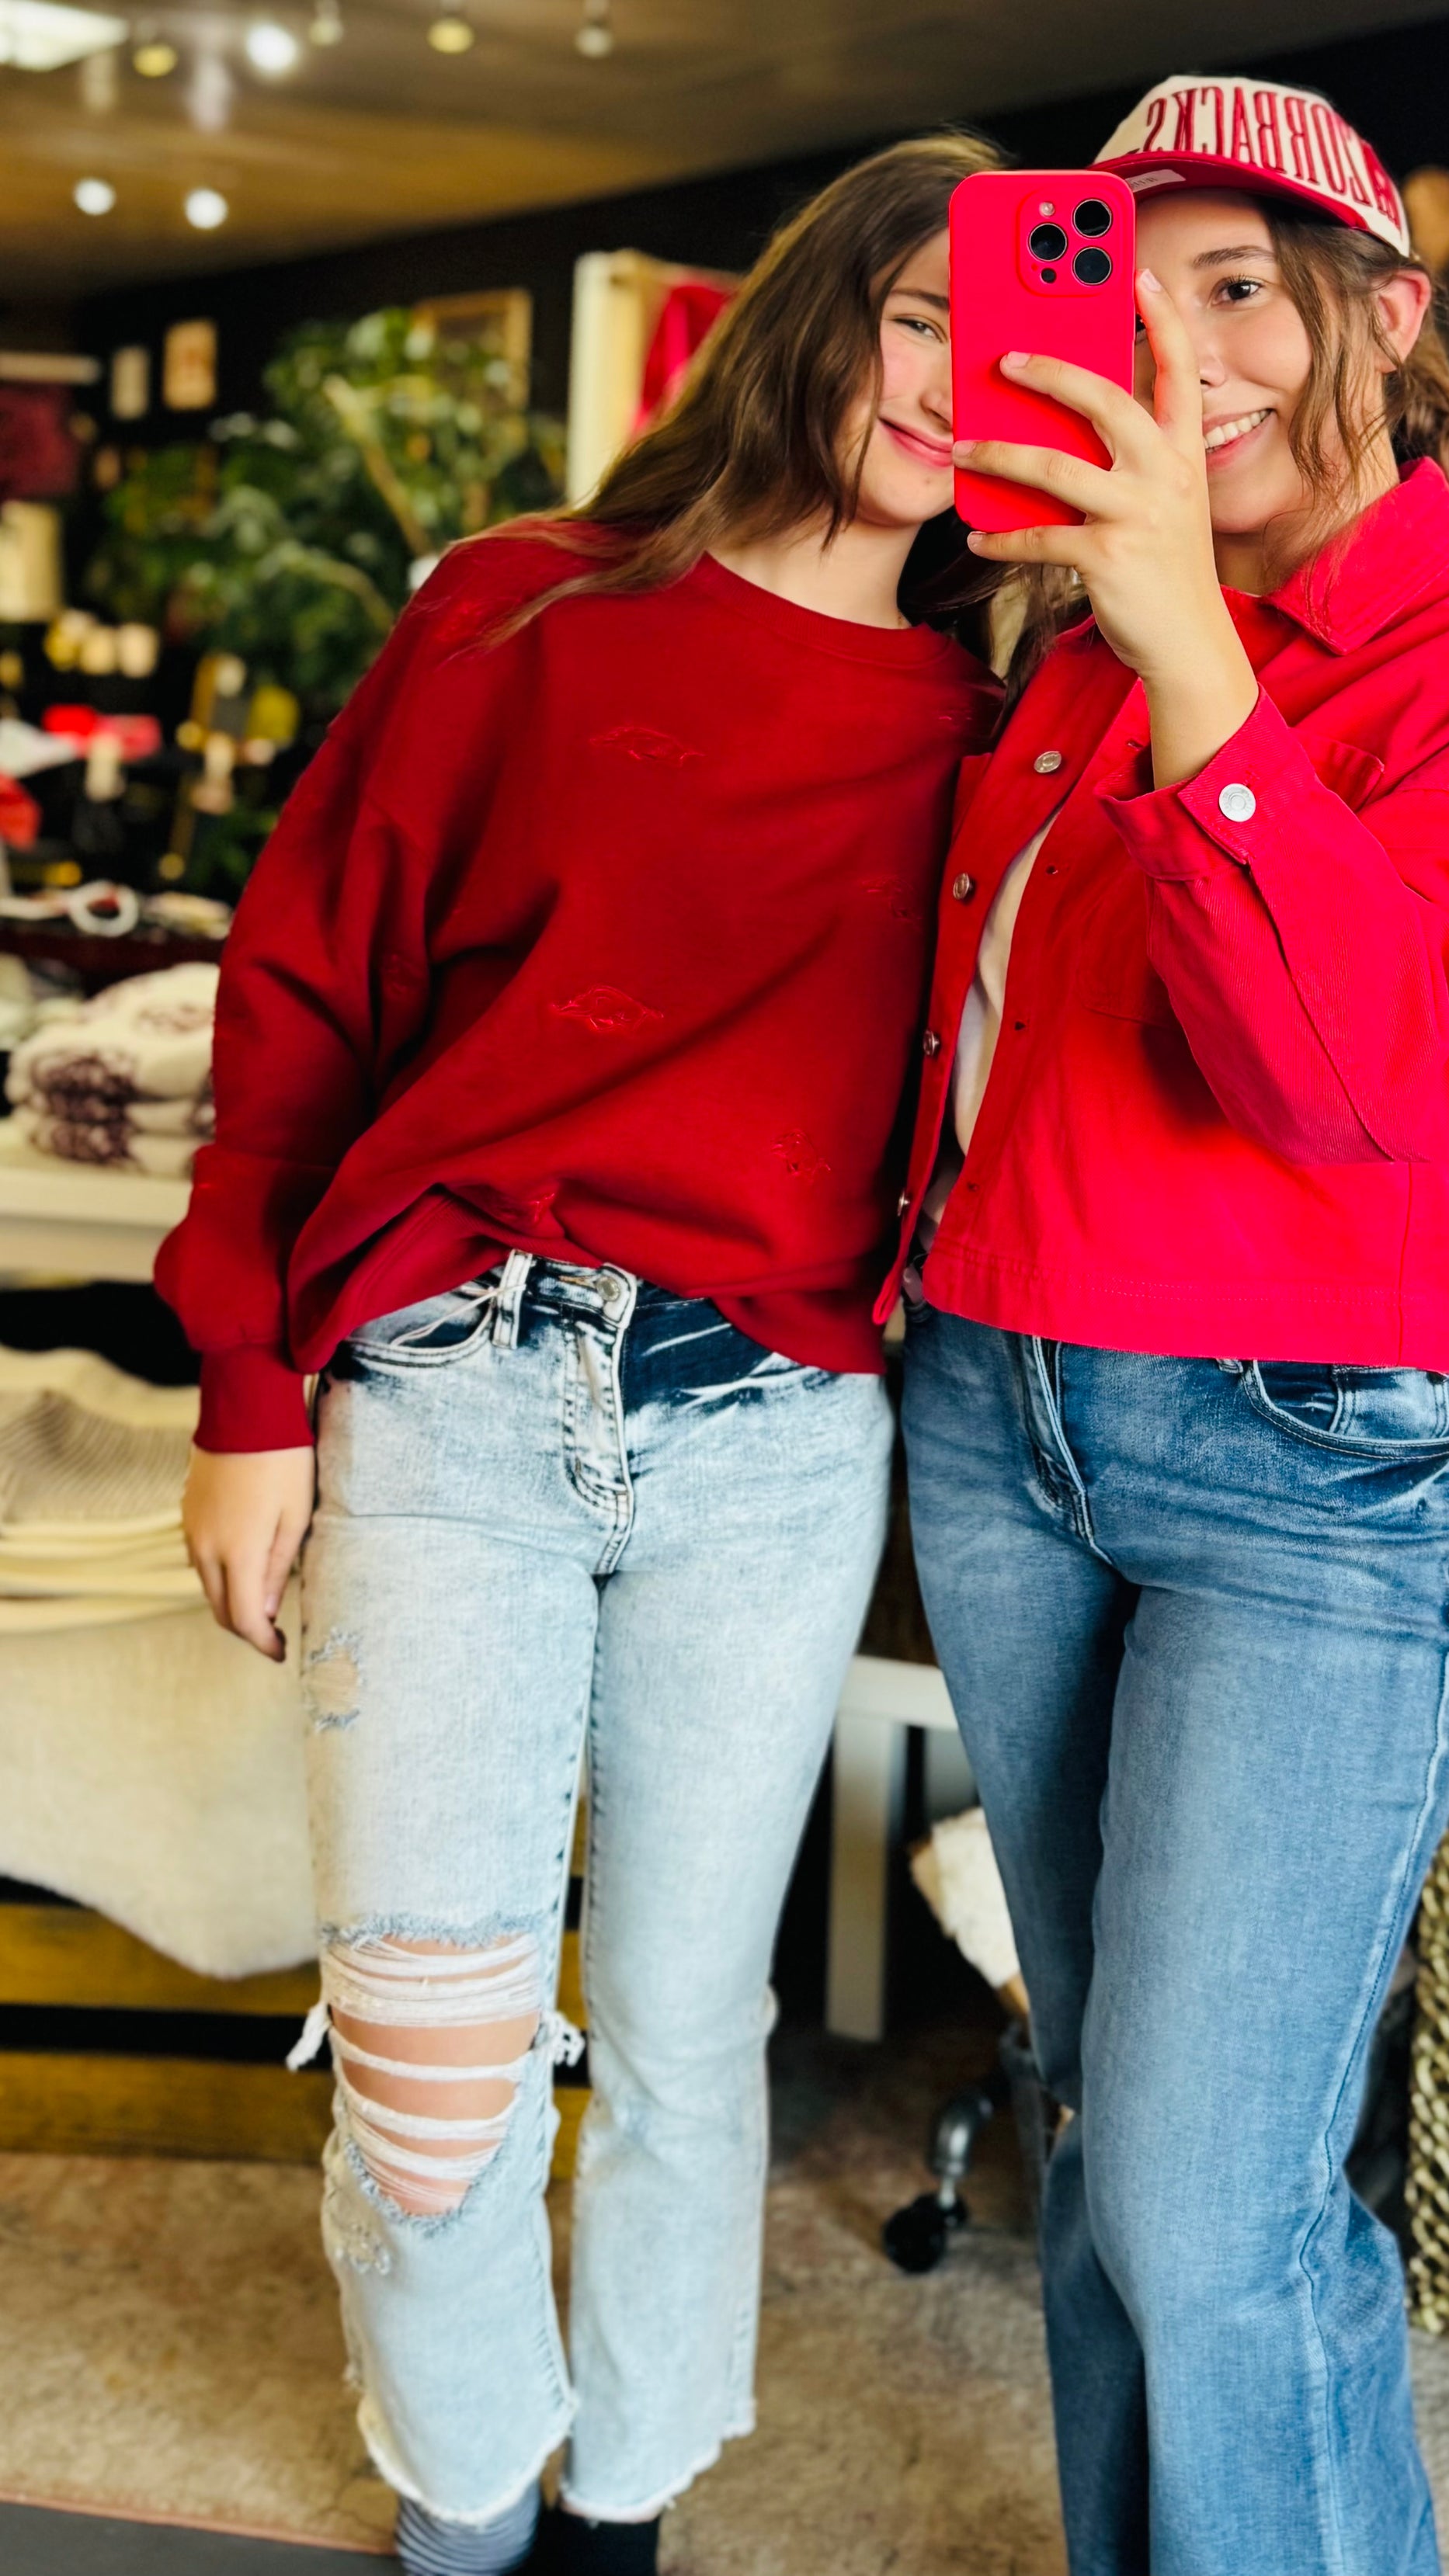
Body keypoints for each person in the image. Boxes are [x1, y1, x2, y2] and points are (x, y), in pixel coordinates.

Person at [161, 135, 1001, 2576]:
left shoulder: (1006, 696)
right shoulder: (522, 611)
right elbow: (307, 978)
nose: (956, 387)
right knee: (429, 2054)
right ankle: (465, 2510)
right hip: (453, 1376)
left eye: (1015, 344)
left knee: (679, 2035)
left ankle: (620, 2504)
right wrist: (245, 1383)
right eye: (921, 316)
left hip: (771, 1421)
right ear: (816, 310)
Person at [892, 75, 1449, 2576]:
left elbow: (1350, 1087)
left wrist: (1200, 664)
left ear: (1386, 320)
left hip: (1306, 1477)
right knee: (1119, 2144)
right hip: (1006, 1420)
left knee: (1217, 2213)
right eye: (1138, 284)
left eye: (1250, 289)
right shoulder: (1077, 653)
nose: (1189, 354)